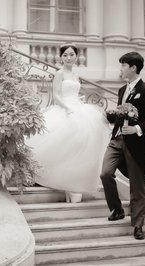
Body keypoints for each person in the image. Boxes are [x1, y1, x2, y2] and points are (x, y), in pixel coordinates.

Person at [26, 43, 111, 203]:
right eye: (65, 55)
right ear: (61, 57)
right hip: (65, 108)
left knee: (80, 146)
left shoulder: (76, 75)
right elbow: (56, 95)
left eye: (71, 54)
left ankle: (73, 184)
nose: (68, 57)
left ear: (76, 56)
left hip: (78, 107)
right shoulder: (59, 74)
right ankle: (67, 185)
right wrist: (67, 108)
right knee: (64, 146)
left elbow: (74, 92)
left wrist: (78, 103)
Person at [100, 52, 145, 240]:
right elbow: (121, 114)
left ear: (133, 68)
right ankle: (117, 210)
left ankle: (138, 225)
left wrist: (137, 129)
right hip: (117, 140)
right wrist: (111, 115)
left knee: (137, 185)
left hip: (135, 143)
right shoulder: (121, 90)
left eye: (123, 65)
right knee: (105, 173)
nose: (120, 69)